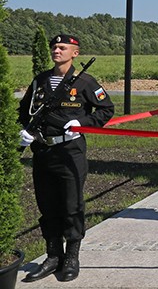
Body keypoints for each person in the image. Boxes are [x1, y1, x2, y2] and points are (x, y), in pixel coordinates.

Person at [18, 34, 114, 282]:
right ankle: (52, 256)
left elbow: (106, 110)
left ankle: (71, 256)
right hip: (43, 151)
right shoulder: (40, 81)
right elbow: (24, 111)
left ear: (75, 53)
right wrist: (24, 132)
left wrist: (82, 122)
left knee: (72, 205)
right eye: (54, 47)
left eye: (62, 47)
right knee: (47, 205)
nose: (56, 51)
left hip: (70, 151)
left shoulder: (84, 82)